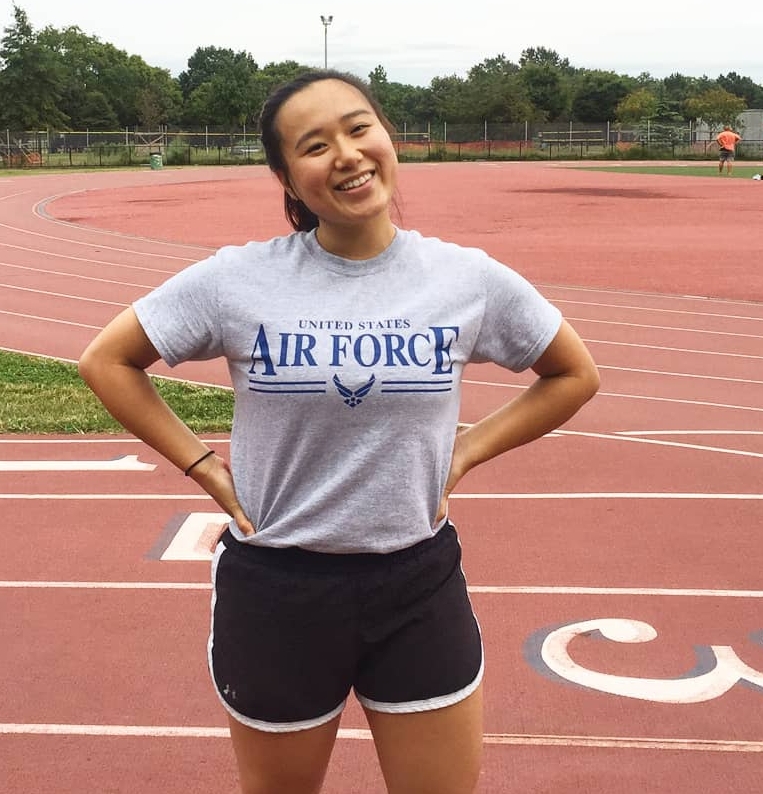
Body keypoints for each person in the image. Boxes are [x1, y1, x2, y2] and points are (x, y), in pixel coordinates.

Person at [78, 70, 600, 794]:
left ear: (387, 135)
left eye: (359, 128)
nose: (347, 155)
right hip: (278, 587)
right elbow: (106, 360)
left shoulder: (464, 279)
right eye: (315, 145)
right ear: (287, 177)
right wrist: (203, 466)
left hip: (415, 579)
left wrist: (464, 453)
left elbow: (573, 373)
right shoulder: (237, 279)